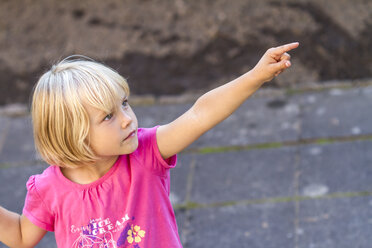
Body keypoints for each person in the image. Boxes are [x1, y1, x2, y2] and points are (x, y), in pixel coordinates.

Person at [0, 42, 299, 247]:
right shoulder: (49, 189)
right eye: (108, 117)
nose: (128, 119)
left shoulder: (146, 153)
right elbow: (21, 236)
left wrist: (255, 76)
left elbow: (200, 114)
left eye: (125, 104)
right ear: (72, 134)